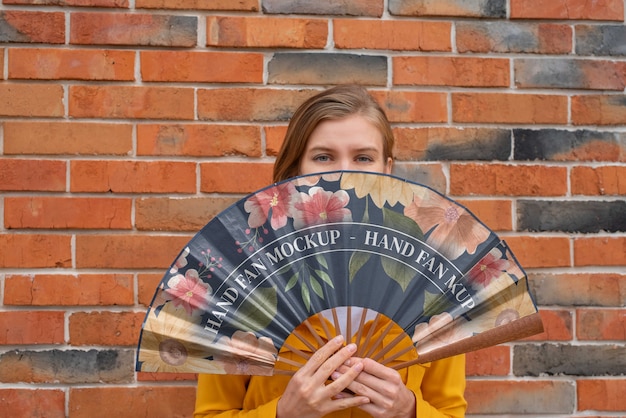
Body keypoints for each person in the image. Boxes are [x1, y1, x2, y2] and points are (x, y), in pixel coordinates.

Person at [194, 85, 467, 418]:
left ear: (387, 169)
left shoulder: (429, 279)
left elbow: (451, 411)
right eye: (323, 157)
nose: (343, 172)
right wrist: (281, 414)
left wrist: (410, 411)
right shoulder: (242, 276)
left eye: (363, 158)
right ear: (295, 169)